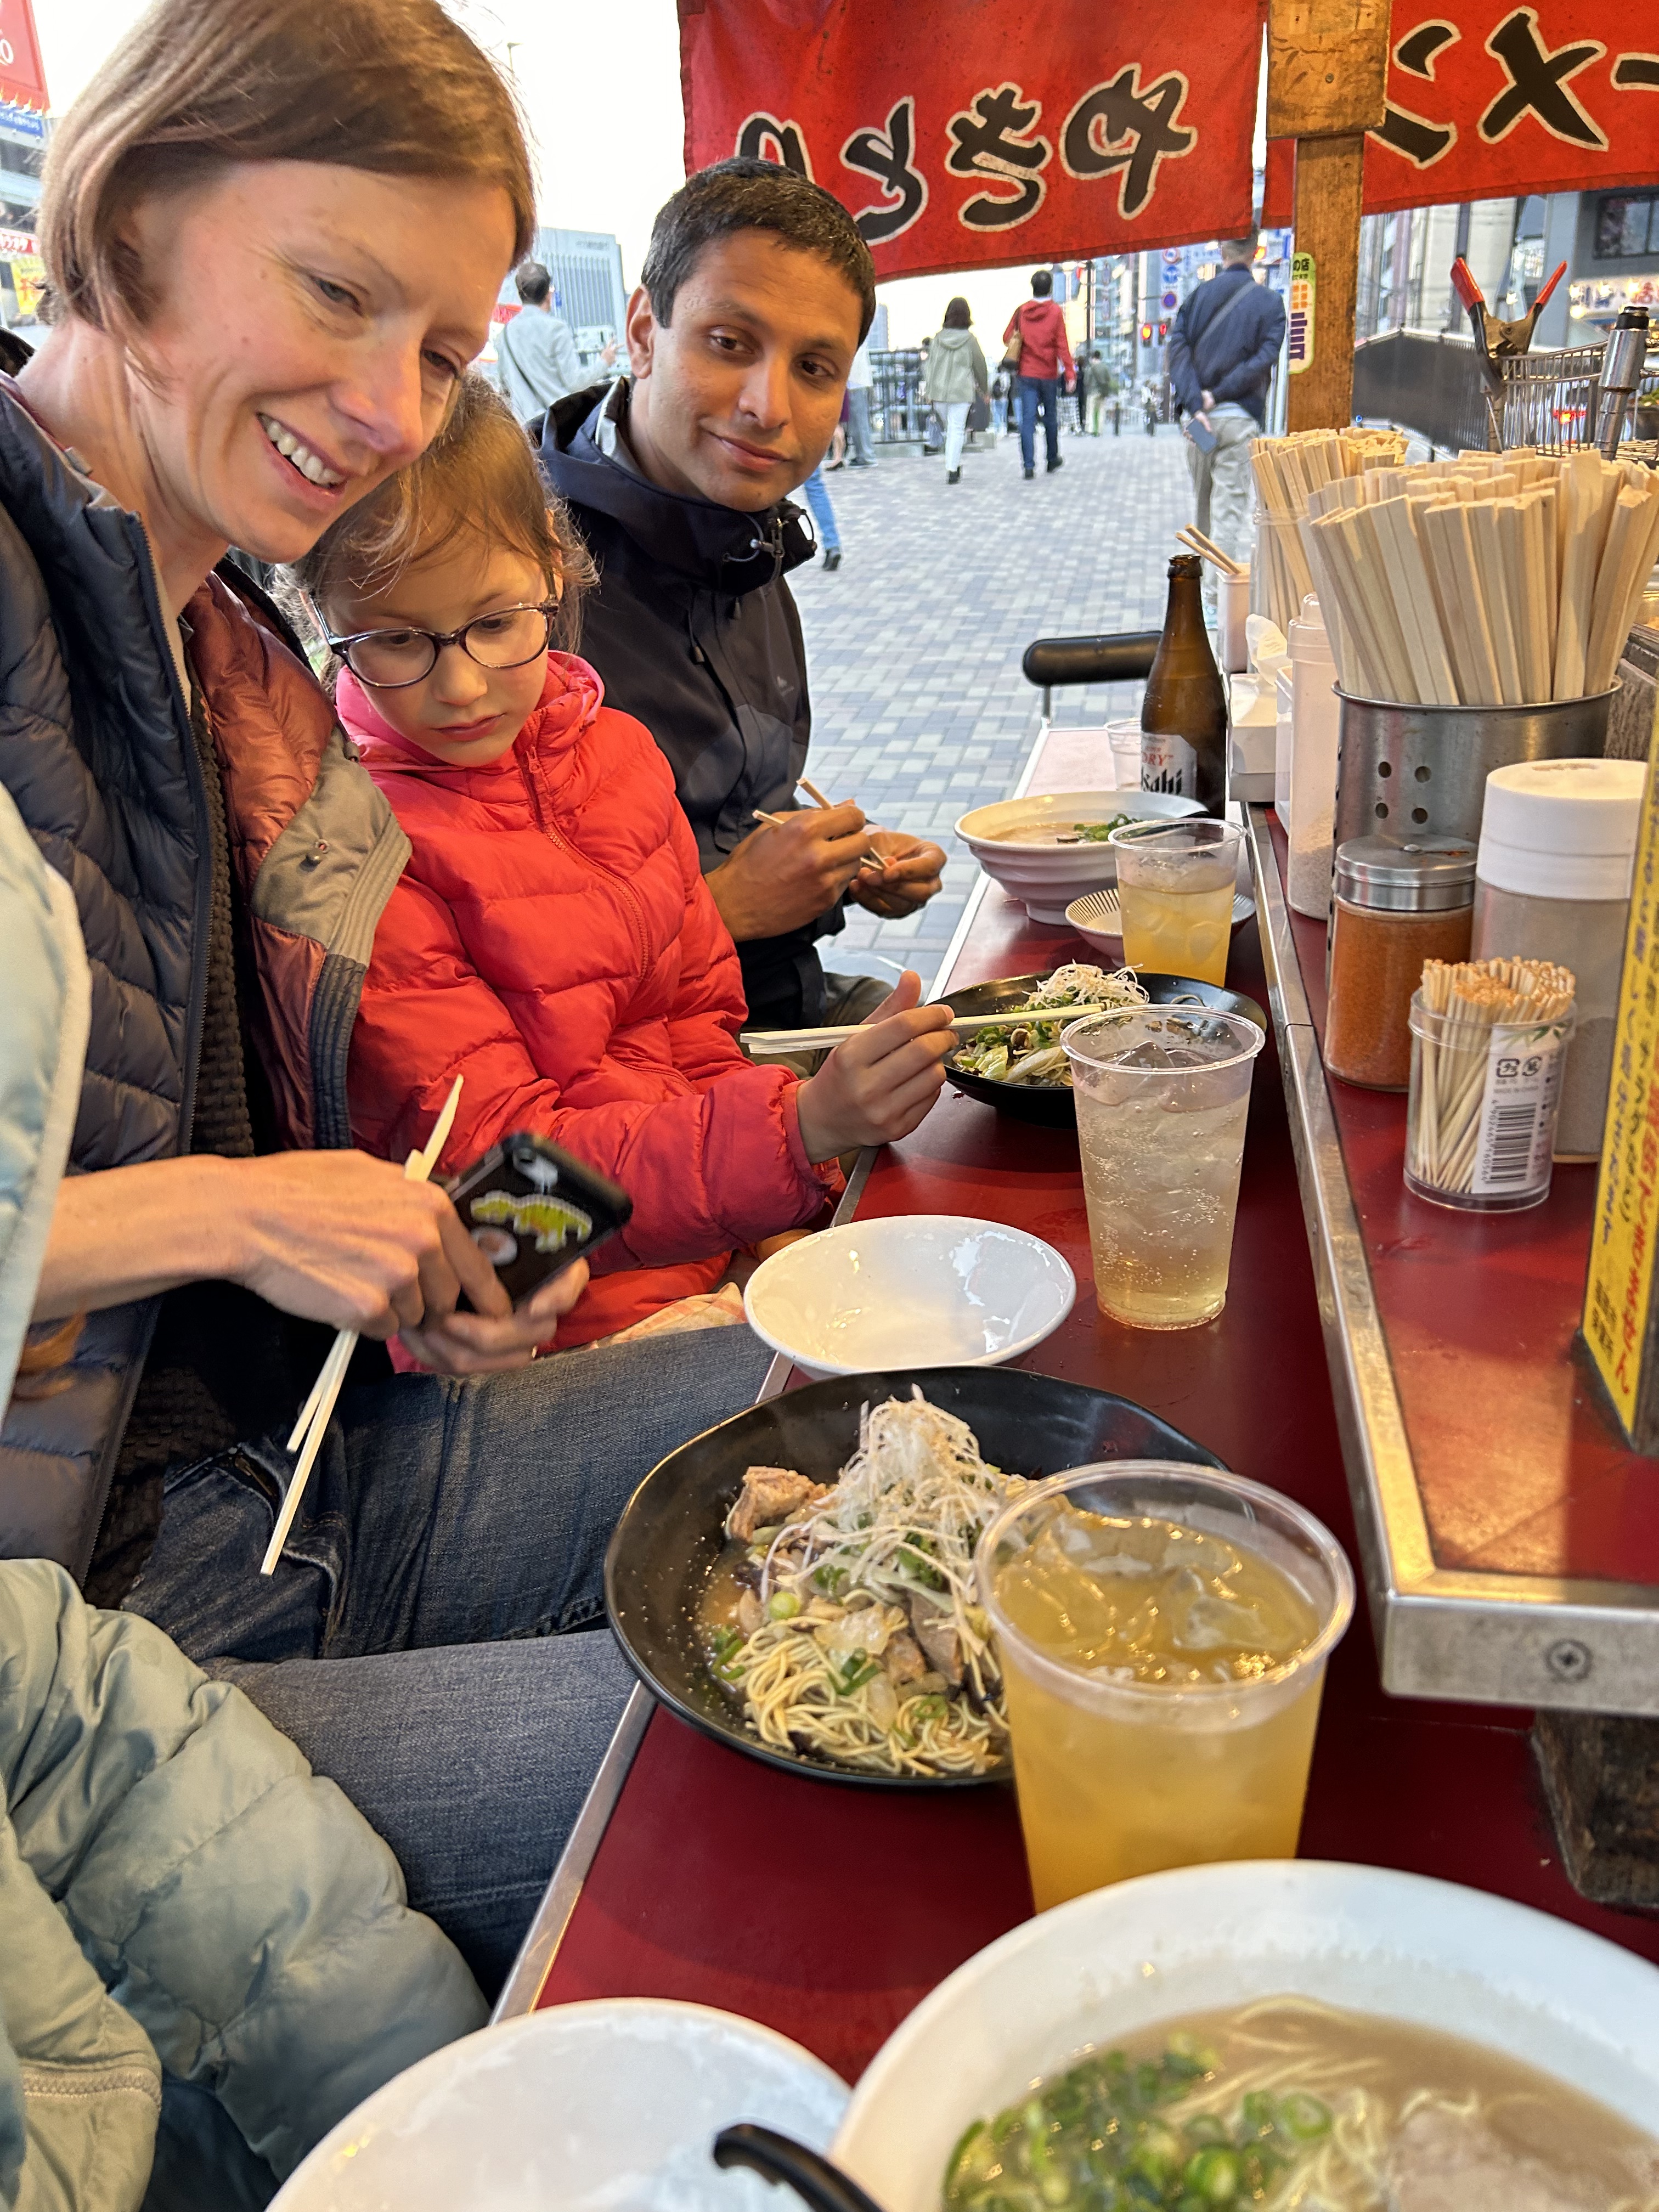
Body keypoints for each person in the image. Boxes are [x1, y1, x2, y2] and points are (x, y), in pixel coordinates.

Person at [2, 0, 773, 2018]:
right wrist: (235, 1214)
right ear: (131, 216)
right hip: (81, 1659)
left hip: (305, 1464)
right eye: (337, 293)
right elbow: (186, 1207)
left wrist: (408, 1268)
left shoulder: (229, 654)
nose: (381, 408)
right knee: (765, 1769)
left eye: (439, 350)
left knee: (863, 1414)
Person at [0, 788, 488, 2209]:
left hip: (294, 1436)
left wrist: (435, 2120)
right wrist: (220, 1213)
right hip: (162, 1541)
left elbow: (93, 1750)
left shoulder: (230, 693)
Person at [294, 375, 950, 1348]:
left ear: (553, 570)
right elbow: (503, 1188)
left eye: (495, 622)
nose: (462, 685)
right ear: (324, 622)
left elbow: (698, 1026)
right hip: (536, 1328)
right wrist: (798, 1132)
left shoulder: (617, 756)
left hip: (705, 1241)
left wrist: (769, 1217)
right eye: (394, 639)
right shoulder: (357, 850)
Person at [535, 160, 948, 1035]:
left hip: (777, 1013)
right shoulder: (514, 578)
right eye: (729, 343)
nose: (769, 406)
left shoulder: (743, 539)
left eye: (815, 367)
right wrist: (724, 905)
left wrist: (840, 864)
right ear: (644, 332)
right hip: (634, 1074)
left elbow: (728, 810)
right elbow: (473, 959)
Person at [1167, 233, 1287, 594]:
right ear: (1256, 251)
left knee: (1203, 504)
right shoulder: (1271, 305)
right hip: (1238, 420)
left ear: (1222, 251)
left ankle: (1199, 594)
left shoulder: (1196, 298)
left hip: (1198, 425)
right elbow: (1263, 360)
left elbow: (1177, 353)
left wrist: (1196, 403)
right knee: (1229, 510)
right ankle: (1217, 598)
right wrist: (1218, 395)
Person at [493, 258, 595, 425]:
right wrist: (605, 361)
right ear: (548, 294)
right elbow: (575, 383)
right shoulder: (557, 329)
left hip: (524, 428)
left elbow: (505, 390)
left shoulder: (504, 335)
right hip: (557, 426)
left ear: (520, 294)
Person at [1003, 269, 1074, 481]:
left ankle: (1028, 466)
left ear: (1032, 287)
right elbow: (1062, 344)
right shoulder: (1055, 312)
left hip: (1026, 373)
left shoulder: (1021, 312)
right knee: (1050, 418)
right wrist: (1070, 373)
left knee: (1028, 420)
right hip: (1049, 374)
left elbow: (1007, 337)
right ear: (1050, 288)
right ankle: (1052, 459)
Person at [922, 296, 989, 486]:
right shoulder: (970, 340)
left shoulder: (937, 339)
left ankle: (954, 465)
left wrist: (928, 390)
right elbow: (980, 366)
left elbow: (930, 367)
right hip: (961, 391)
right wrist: (984, 390)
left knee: (950, 430)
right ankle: (952, 469)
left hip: (939, 393)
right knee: (956, 429)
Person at [800, 459, 843, 568]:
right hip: (809, 449)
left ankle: (778, 546)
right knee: (815, 487)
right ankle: (832, 544)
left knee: (779, 491)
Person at [845, 334, 875, 465]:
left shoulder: (856, 340)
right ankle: (863, 455)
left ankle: (866, 456)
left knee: (859, 423)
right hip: (857, 384)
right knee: (858, 423)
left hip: (856, 384)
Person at [1084, 348, 1116, 435]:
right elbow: (1109, 380)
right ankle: (1099, 430)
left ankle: (1091, 429)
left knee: (1091, 411)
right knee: (1102, 411)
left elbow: (1086, 381)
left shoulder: (1091, 368)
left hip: (1092, 392)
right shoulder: (1105, 368)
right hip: (1102, 392)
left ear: (1093, 358)